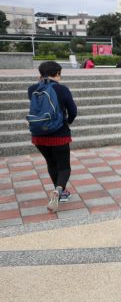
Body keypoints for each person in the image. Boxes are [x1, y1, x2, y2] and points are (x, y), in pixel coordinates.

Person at [28, 61, 78, 211]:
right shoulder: (62, 89)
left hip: (39, 134)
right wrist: (67, 121)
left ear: (40, 74)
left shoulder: (32, 89)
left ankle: (59, 190)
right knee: (64, 167)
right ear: (58, 73)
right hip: (59, 133)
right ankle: (59, 191)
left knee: (51, 163)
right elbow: (73, 110)